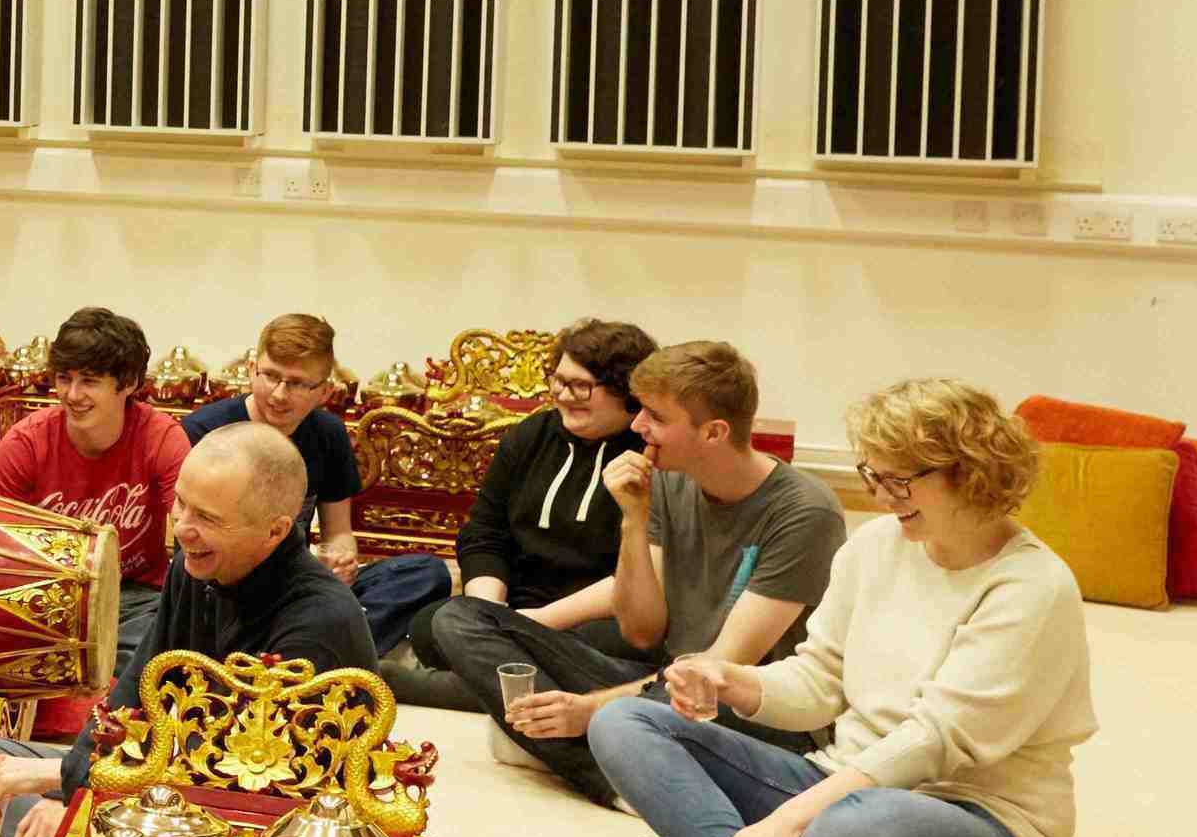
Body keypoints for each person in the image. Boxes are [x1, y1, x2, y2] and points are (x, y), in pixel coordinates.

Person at [593, 379, 1095, 837]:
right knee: (623, 722)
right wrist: (730, 681)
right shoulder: (876, 546)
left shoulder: (1033, 587)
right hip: (844, 787)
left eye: (899, 480)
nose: (881, 497)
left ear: (970, 471)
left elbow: (934, 740)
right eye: (873, 475)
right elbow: (820, 680)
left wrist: (784, 822)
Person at [430, 338, 840, 798]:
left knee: (617, 712)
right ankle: (620, 771)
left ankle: (607, 764)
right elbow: (643, 631)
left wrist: (587, 710)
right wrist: (634, 519)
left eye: (657, 417)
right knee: (458, 618)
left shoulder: (805, 512)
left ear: (714, 433)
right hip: (667, 686)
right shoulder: (667, 477)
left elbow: (721, 668)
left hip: (745, 709)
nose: (639, 425)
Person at [0, 423, 375, 837]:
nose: (182, 529)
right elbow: (133, 693)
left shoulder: (318, 621)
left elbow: (236, 778)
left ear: (275, 531)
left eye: (207, 517)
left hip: (257, 818)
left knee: (35, 808)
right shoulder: (196, 564)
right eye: (181, 505)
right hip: (166, 771)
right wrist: (79, 775)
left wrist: (79, 798)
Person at [376, 317, 651, 713]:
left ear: (625, 392)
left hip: (592, 616)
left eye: (580, 386)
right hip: (516, 604)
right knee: (433, 623)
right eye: (558, 380)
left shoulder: (649, 454)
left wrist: (536, 622)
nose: (563, 395)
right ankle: (529, 687)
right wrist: (490, 610)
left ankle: (450, 687)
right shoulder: (531, 435)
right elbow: (485, 532)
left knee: (622, 645)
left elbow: (637, 577)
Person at [179, 312, 452, 634]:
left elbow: (338, 532)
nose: (279, 394)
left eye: (296, 384)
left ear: (324, 391)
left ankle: (328, 642)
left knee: (427, 573)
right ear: (252, 371)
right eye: (270, 376)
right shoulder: (205, 429)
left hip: (301, 578)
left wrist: (340, 560)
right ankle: (329, 643)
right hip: (230, 580)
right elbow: (186, 538)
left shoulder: (329, 433)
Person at [0, 308, 190, 676]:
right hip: (45, 597)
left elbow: (191, 534)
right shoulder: (24, 444)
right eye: (64, 378)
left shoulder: (162, 439)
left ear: (127, 383)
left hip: (135, 597)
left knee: (153, 660)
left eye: (90, 381)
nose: (72, 394)